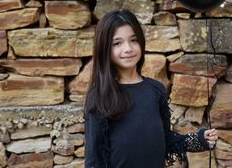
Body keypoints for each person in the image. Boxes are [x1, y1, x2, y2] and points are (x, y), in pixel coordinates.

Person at [84, 9, 218, 168]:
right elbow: (94, 158)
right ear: (105, 49)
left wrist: (199, 140)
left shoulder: (156, 90)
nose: (128, 48)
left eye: (133, 40)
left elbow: (165, 139)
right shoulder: (100, 96)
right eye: (117, 43)